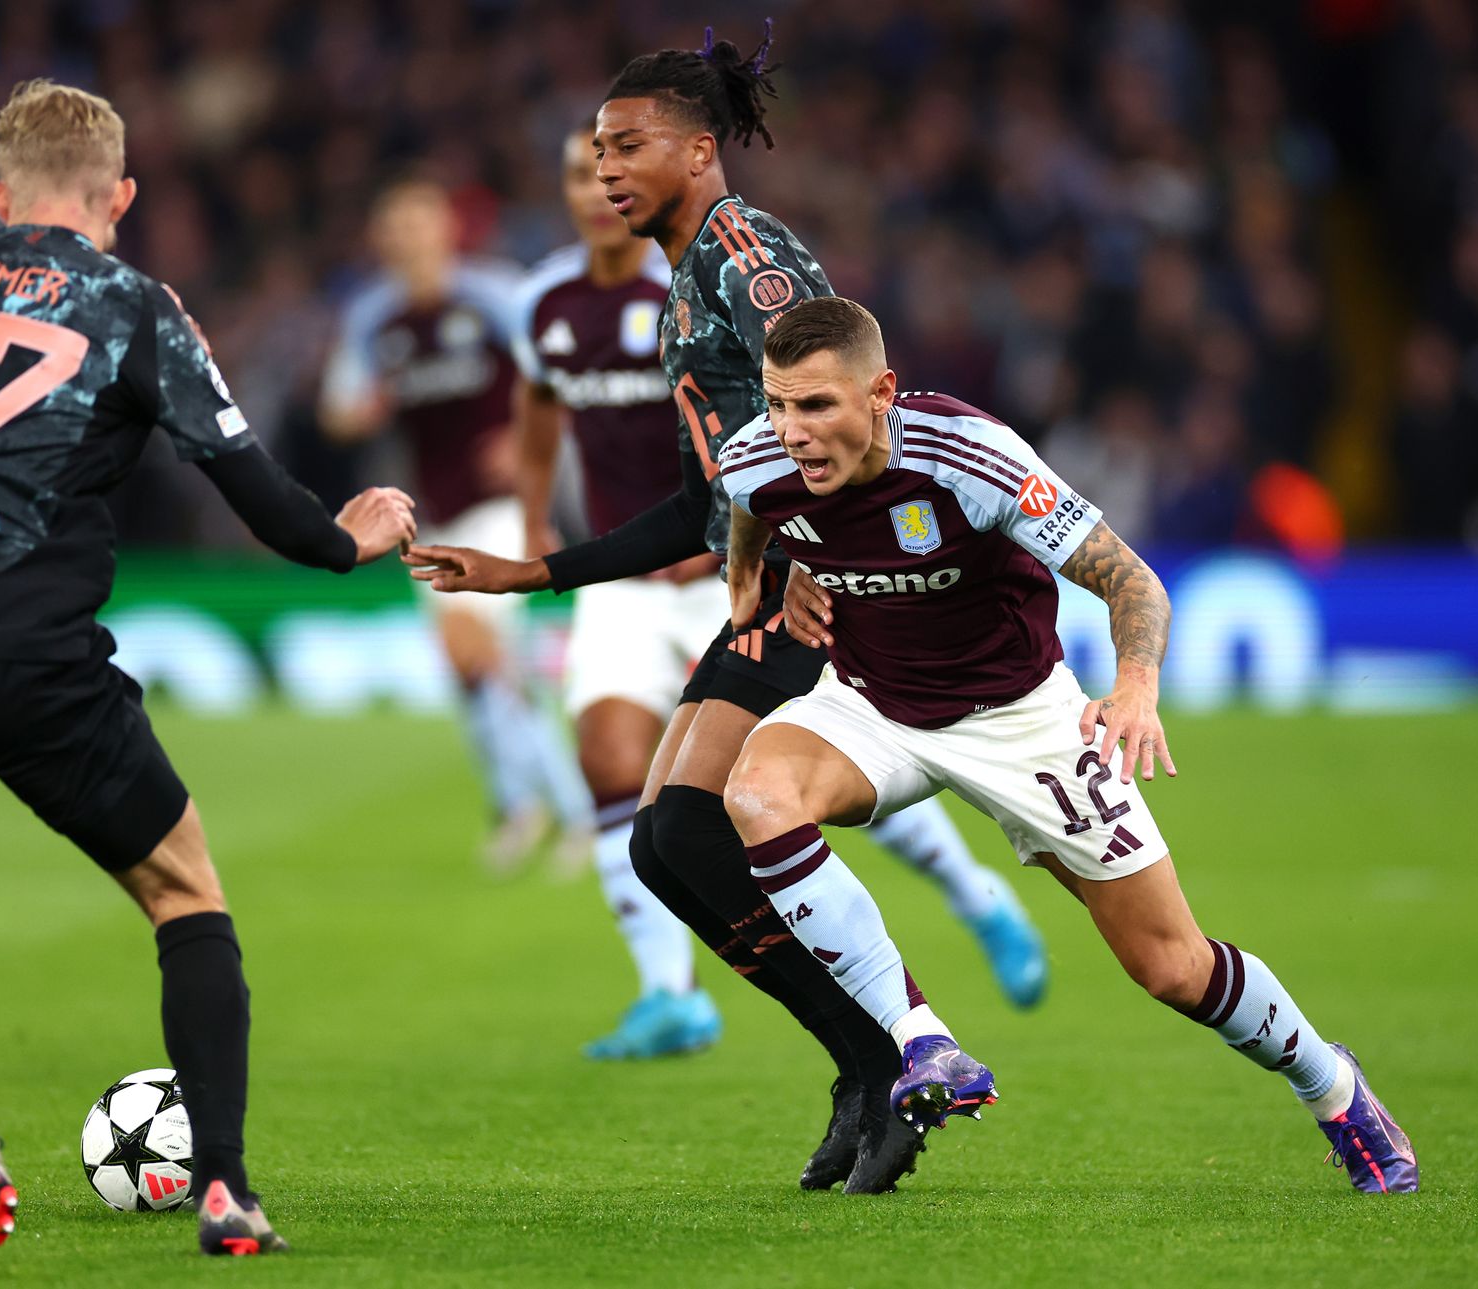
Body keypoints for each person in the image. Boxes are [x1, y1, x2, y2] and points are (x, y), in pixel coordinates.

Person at [0, 80, 419, 1255]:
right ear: (123, 197)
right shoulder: (134, 304)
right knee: (184, 891)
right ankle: (226, 1190)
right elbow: (272, 509)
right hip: (33, 659)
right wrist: (352, 534)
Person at [410, 25, 1042, 1193]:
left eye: (628, 144)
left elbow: (849, 416)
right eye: (598, 148)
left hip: (812, 595)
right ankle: (868, 1063)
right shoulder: (685, 270)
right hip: (762, 582)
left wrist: (825, 556)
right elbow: (712, 496)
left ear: (700, 151)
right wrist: (531, 573)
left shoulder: (751, 261)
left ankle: (895, 1051)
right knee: (665, 842)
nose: (606, 167)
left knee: (694, 829)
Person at [715, 295, 1416, 1193]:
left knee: (1171, 965)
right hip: (871, 707)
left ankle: (1336, 1087)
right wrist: (777, 576)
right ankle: (924, 1042)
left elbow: (1130, 580)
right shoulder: (755, 460)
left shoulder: (971, 458)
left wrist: (1134, 686)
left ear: (882, 392)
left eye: (816, 406)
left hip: (1022, 718)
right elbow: (750, 519)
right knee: (757, 794)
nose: (792, 432)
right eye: (777, 404)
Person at [514, 123, 724, 1059]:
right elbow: (536, 415)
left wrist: (724, 531)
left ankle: (975, 895)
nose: (596, 185)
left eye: (610, 167)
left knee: (807, 779)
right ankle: (669, 994)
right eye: (576, 171)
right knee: (608, 762)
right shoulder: (545, 300)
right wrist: (531, 521)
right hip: (622, 573)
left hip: (724, 566)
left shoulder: (683, 284)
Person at [321, 178, 592, 872]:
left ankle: (575, 812)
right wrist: (366, 408)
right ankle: (519, 806)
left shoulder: (494, 295)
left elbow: (559, 375)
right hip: (430, 512)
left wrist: (521, 439)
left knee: (470, 647)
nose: (409, 239)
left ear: (446, 229)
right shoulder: (371, 316)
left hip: (501, 505)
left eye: (421, 224)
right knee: (473, 671)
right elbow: (338, 409)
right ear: (382, 241)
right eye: (396, 228)